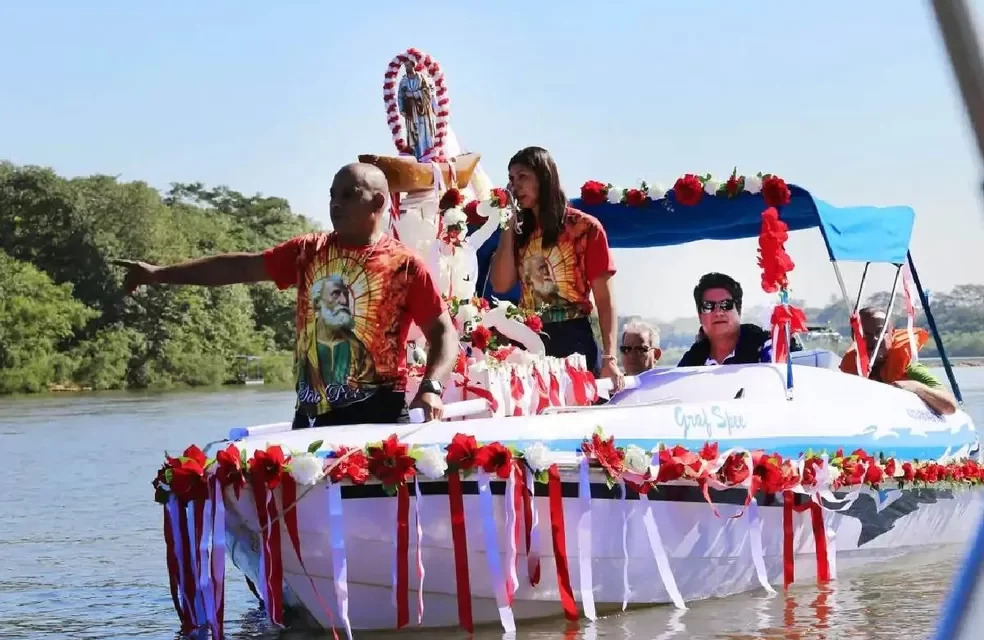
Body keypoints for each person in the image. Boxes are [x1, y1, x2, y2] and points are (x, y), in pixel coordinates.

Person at [113, 163, 457, 428]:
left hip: (379, 412)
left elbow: (442, 331)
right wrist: (158, 274)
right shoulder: (308, 251)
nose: (335, 204)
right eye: (332, 195)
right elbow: (240, 269)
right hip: (312, 414)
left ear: (378, 202)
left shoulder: (405, 265)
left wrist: (431, 387)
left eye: (348, 195)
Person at [488, 146, 624, 390]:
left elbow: (606, 299)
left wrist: (610, 358)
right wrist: (508, 225)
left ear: (544, 177)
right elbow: (500, 284)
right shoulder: (519, 233)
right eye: (511, 178)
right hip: (528, 339)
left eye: (523, 177)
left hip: (573, 336)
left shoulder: (585, 227)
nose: (514, 186)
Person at [840, 307, 957, 415]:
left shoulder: (910, 369)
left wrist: (915, 387)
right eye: (865, 334)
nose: (874, 339)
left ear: (892, 334)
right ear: (854, 337)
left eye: (881, 332)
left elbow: (950, 407)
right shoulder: (849, 373)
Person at [678, 272, 802, 366]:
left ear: (739, 311)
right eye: (708, 306)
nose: (718, 312)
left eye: (726, 304)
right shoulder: (690, 362)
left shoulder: (767, 347)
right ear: (700, 316)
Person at [397, 59, 438, 160]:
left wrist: (414, 94)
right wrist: (402, 108)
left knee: (424, 132)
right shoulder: (403, 81)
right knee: (413, 134)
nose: (406, 68)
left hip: (422, 111)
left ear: (413, 66)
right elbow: (400, 95)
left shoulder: (421, 77)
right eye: (405, 66)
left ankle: (426, 154)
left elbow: (427, 92)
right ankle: (417, 155)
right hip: (410, 111)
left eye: (407, 66)